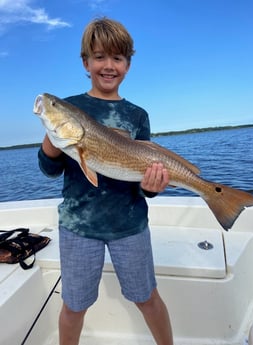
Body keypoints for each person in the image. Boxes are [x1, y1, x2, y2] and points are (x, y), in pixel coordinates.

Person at [38, 17, 173, 345]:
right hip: (78, 227)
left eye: (117, 58)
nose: (108, 65)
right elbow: (50, 170)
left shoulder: (137, 116)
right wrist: (50, 141)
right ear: (86, 62)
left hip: (129, 225)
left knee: (146, 297)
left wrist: (151, 188)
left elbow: (140, 177)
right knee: (73, 305)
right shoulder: (71, 108)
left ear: (127, 64)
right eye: (99, 57)